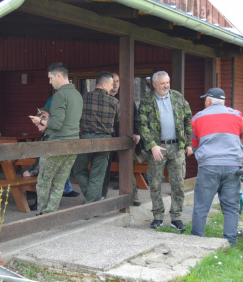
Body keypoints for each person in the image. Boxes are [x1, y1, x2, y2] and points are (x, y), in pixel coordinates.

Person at [139, 71, 192, 231]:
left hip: (177, 147)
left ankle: (176, 218)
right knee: (155, 183)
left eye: (168, 82)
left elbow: (188, 118)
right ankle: (158, 217)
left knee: (178, 183)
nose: (166, 86)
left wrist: (189, 143)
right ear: (154, 84)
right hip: (157, 148)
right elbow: (142, 125)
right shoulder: (147, 101)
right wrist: (152, 145)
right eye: (163, 83)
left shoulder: (177, 96)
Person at [191, 87, 243, 246]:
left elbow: (195, 145)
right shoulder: (238, 116)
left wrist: (202, 159)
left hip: (209, 166)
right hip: (233, 167)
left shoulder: (197, 118)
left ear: (208, 100)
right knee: (231, 207)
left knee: (201, 206)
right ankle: (230, 241)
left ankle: (196, 240)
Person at [29, 62, 83, 215]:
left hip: (56, 144)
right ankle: (50, 213)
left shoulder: (60, 95)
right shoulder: (77, 94)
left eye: (51, 78)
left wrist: (39, 120)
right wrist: (49, 117)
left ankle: (42, 214)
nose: (50, 82)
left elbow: (56, 124)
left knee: (44, 182)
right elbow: (67, 120)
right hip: (73, 144)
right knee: (59, 183)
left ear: (59, 75)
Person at [72, 71, 120, 203]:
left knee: (78, 169)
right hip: (105, 141)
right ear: (104, 85)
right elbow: (117, 121)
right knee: (97, 175)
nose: (112, 87)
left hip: (85, 139)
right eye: (111, 84)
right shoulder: (114, 102)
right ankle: (91, 200)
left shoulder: (83, 98)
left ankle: (90, 200)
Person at [23, 108, 80, 211]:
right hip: (59, 164)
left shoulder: (49, 136)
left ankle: (41, 205)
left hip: (49, 166)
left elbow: (42, 162)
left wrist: (31, 172)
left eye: (39, 122)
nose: (36, 124)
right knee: (56, 182)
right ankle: (50, 206)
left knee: (38, 178)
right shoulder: (51, 134)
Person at [101, 72, 141, 206]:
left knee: (127, 166)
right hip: (106, 136)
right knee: (103, 167)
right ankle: (101, 196)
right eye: (112, 81)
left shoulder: (126, 98)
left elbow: (136, 116)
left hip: (123, 136)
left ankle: (133, 195)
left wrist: (136, 132)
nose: (115, 84)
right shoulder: (102, 97)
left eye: (117, 81)